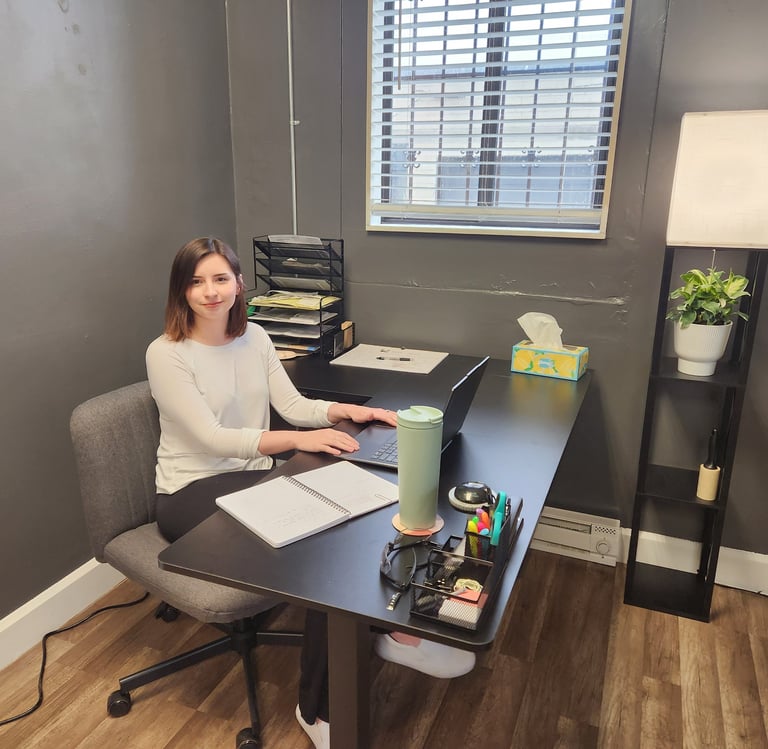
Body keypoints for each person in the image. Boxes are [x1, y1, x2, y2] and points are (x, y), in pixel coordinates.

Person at [146, 237, 475, 749]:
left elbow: (295, 405)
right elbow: (211, 438)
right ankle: (316, 710)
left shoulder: (253, 336)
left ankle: (397, 634)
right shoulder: (167, 354)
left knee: (361, 514)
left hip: (253, 473)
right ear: (180, 290)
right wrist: (300, 441)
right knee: (322, 554)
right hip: (192, 492)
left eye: (220, 278)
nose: (210, 291)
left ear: (239, 284)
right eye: (196, 281)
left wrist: (345, 412)